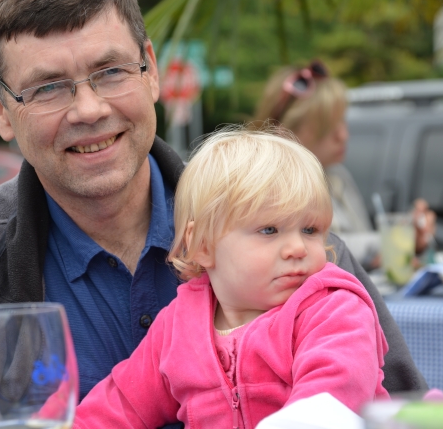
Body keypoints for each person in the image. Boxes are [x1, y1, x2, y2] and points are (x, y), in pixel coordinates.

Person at [0, 0, 425, 429]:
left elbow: (398, 410)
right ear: (0, 108)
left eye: (111, 72)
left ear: (151, 70)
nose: (89, 109)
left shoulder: (295, 247)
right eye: (48, 88)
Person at [72, 127, 390, 428]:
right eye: (269, 230)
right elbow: (123, 403)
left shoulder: (334, 311)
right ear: (204, 245)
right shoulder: (178, 326)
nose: (297, 248)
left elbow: (331, 399)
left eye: (310, 230)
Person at [253, 60, 436, 271]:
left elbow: (354, 247)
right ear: (284, 132)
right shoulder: (268, 189)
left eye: (342, 121)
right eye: (327, 127)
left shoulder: (337, 175)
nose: (343, 135)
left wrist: (404, 237)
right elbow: (328, 248)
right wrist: (394, 240)